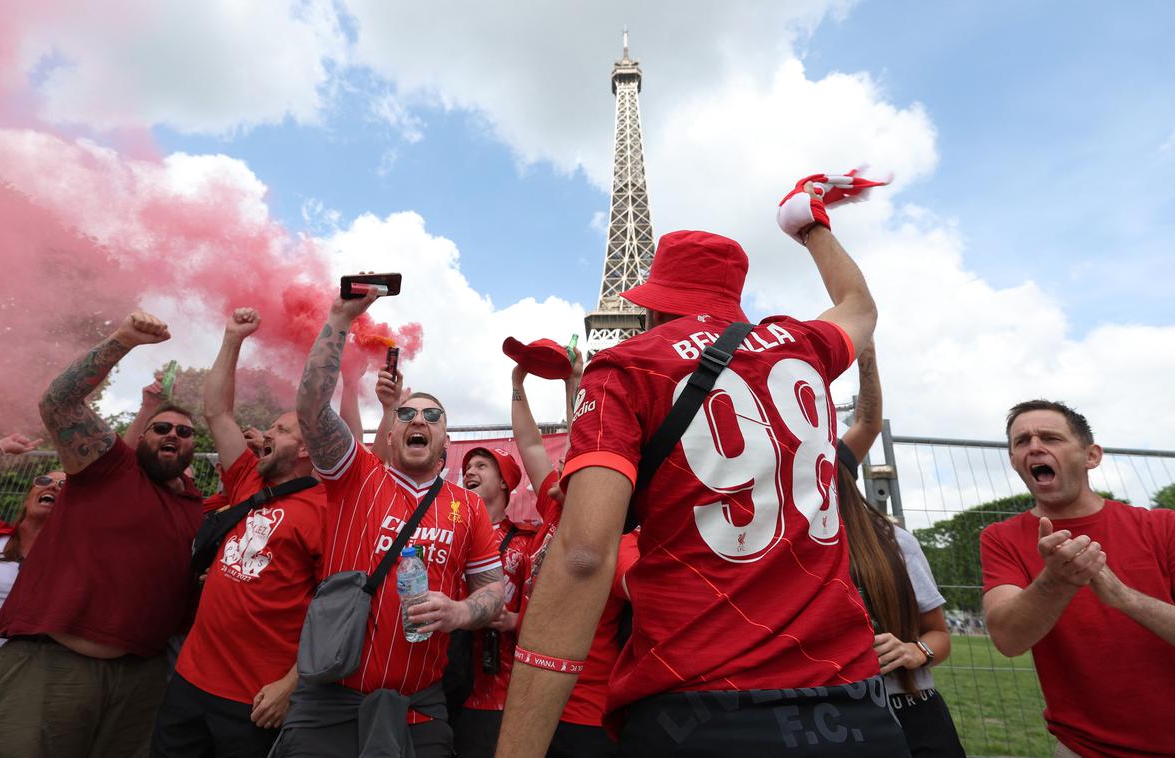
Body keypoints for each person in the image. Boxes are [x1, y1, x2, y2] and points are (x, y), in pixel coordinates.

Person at [498, 179, 909, 757]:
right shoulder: (802, 346)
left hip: (699, 701)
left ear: (655, 301)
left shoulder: (626, 365)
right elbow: (860, 309)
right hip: (849, 698)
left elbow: (585, 554)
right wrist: (809, 223)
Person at [272, 286, 504, 758]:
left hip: (419, 709)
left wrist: (460, 613)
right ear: (394, 431)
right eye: (408, 413)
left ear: (444, 441)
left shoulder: (469, 507)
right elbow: (312, 412)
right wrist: (340, 318)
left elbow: (495, 589)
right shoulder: (356, 473)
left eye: (433, 415)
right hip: (329, 703)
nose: (419, 418)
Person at [0, 310, 204, 758]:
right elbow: (59, 405)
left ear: (194, 444)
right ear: (142, 439)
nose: (173, 434)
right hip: (51, 668)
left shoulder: (199, 510)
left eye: (185, 431)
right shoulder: (110, 469)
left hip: (142, 682)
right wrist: (122, 341)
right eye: (161, 428)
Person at [151, 307, 329, 758]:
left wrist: (293, 684)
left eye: (280, 429)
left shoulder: (329, 511)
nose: (265, 433)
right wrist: (232, 338)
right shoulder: (250, 479)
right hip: (189, 681)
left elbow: (338, 611)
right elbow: (218, 412)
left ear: (306, 447)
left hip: (255, 700)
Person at [981, 400, 1175, 758]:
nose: (1034, 446)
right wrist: (1055, 581)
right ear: (1013, 461)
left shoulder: (1162, 527)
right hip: (1083, 749)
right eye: (1022, 442)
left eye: (1050, 437)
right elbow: (1008, 639)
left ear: (1091, 456)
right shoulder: (1001, 538)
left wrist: (1125, 598)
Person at [506, 348, 637, 757]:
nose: (565, 465)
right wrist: (519, 385)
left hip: (584, 720)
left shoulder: (618, 542)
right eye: (566, 460)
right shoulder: (553, 507)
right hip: (532, 706)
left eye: (577, 462)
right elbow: (529, 442)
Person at [836, 346, 965, 757]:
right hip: (822, 712)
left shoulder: (891, 541)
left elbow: (939, 636)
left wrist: (915, 651)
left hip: (908, 709)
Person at [452, 444, 535, 757]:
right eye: (468, 467)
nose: (470, 471)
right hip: (442, 688)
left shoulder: (527, 543)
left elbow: (550, 617)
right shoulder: (449, 534)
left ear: (504, 482)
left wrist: (514, 621)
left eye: (482, 466)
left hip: (502, 694)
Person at [0, 433, 53, 689]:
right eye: (44, 481)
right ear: (30, 495)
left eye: (64, 487)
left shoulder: (71, 559)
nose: (51, 487)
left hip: (6, 683)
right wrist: (0, 447)